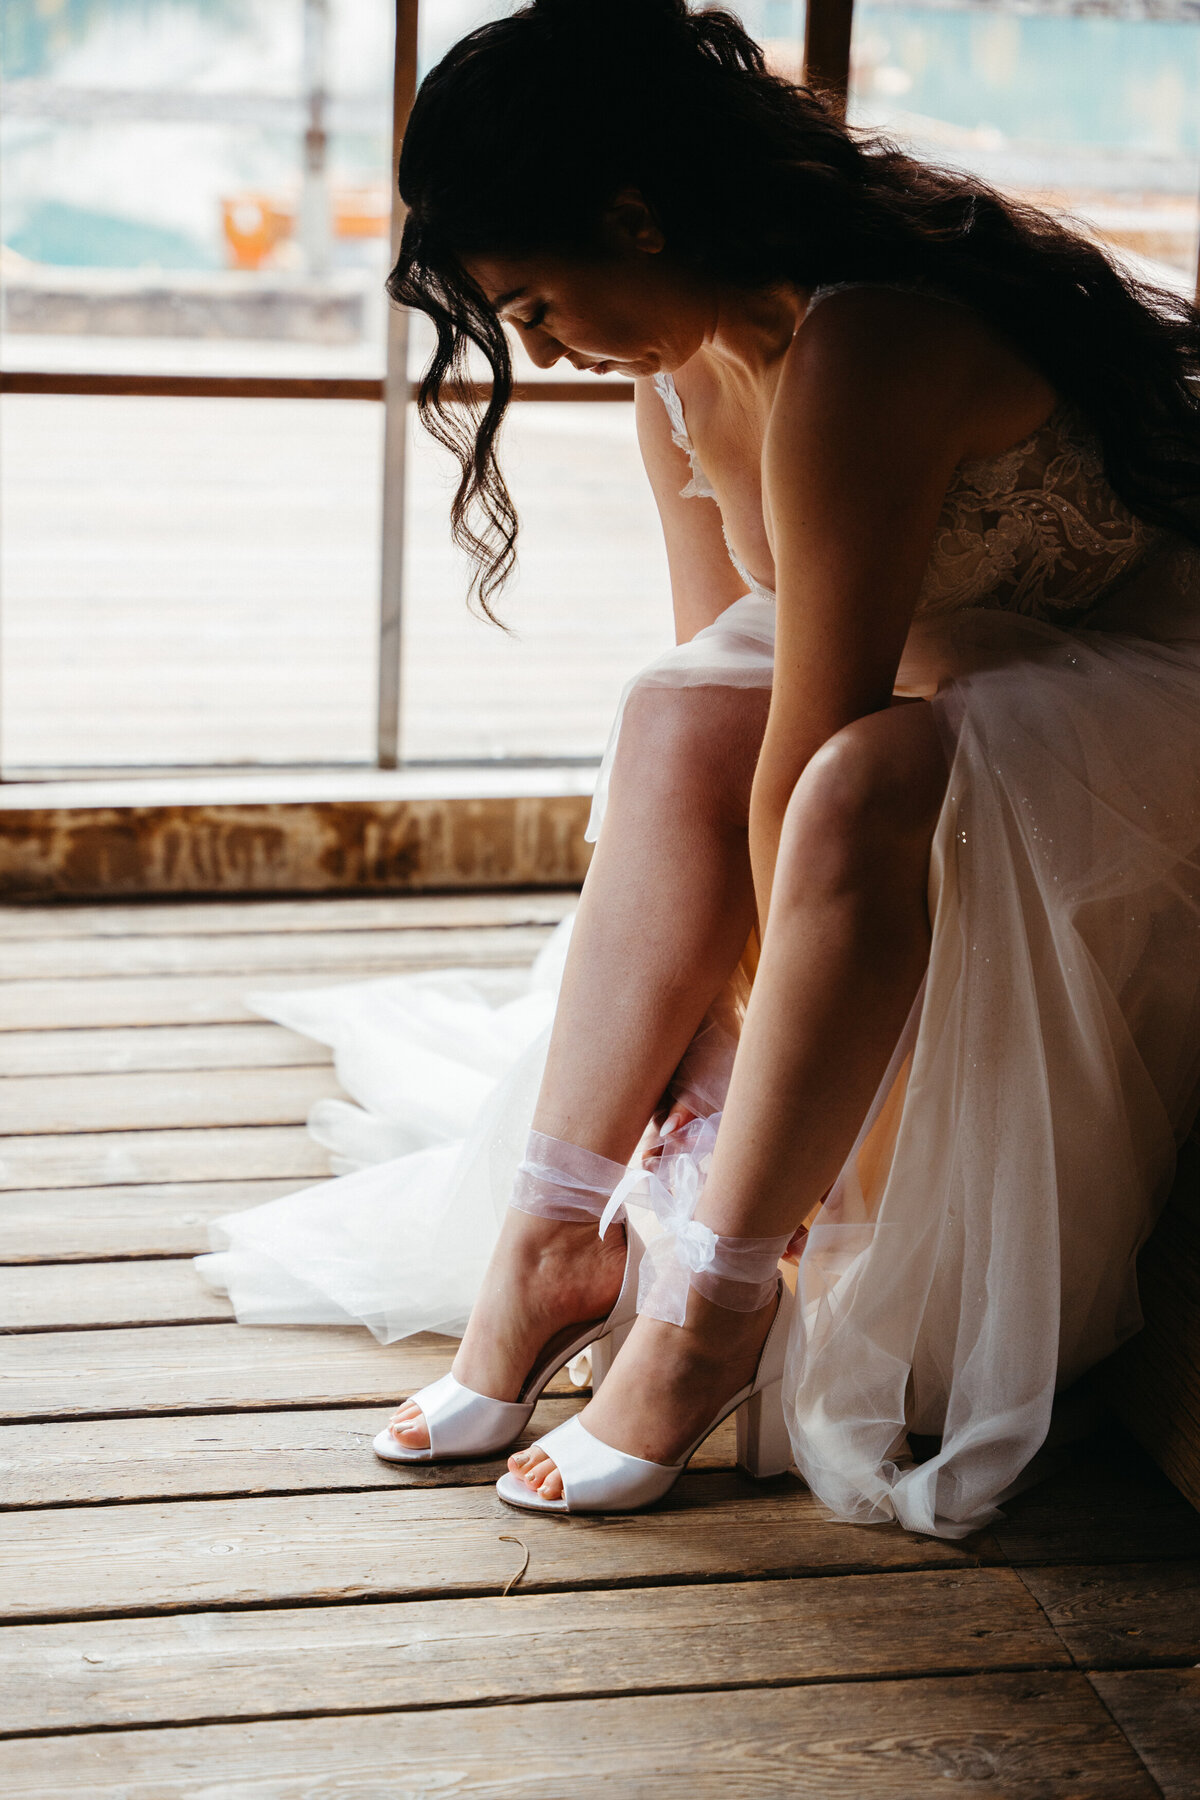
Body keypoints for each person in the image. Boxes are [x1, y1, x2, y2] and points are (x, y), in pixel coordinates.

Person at [199, 0, 1200, 1537]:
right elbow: (719, 660)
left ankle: (711, 1311)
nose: (538, 349)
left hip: (1134, 685)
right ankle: (549, 1248)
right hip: (934, 663)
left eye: (537, 302)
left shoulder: (869, 338)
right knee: (671, 711)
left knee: (856, 791)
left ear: (636, 216)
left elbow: (813, 754)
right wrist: (710, 989)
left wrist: (737, 1017)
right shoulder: (672, 373)